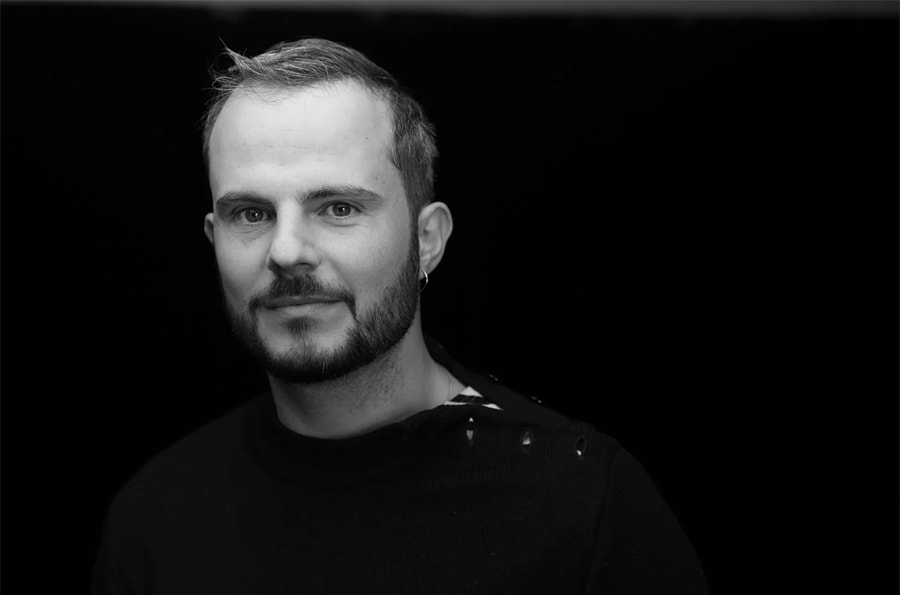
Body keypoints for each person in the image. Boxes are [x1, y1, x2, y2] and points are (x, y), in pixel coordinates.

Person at [92, 37, 708, 594]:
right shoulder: (157, 518)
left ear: (428, 240)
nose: (285, 252)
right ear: (213, 240)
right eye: (250, 214)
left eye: (337, 208)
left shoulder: (581, 505)